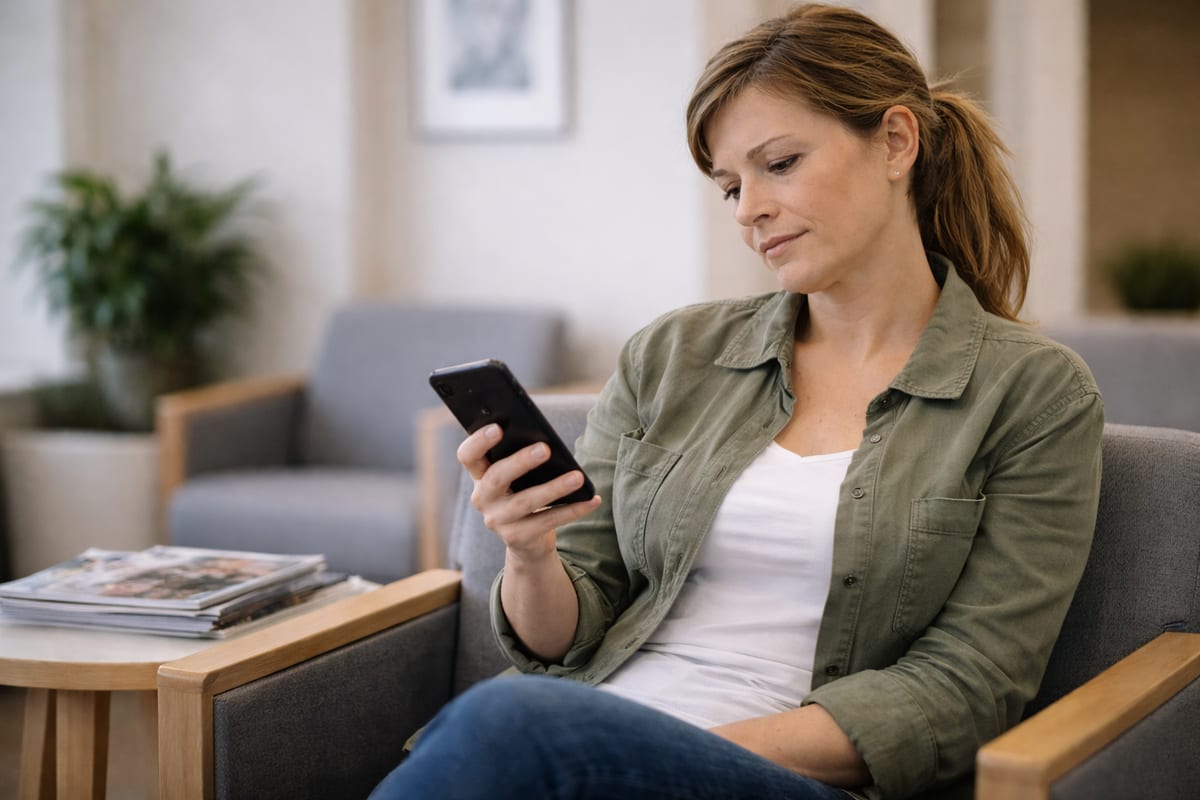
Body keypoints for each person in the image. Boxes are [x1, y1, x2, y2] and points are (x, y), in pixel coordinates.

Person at [370, 4, 1104, 799]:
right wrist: (530, 551)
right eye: (730, 186)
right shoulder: (672, 356)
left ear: (896, 142)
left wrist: (650, 749)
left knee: (506, 722)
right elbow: (563, 634)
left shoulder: (1033, 392)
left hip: (763, 773)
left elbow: (969, 685)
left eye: (780, 163)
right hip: (587, 743)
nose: (749, 209)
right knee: (510, 721)